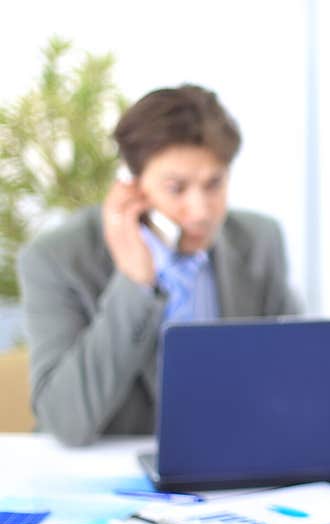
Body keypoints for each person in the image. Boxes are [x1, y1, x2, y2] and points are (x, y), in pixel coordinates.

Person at [18, 84, 301, 447]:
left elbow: (293, 378)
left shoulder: (260, 240)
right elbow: (66, 421)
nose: (200, 212)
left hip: (228, 468)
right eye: (176, 188)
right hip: (105, 478)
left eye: (214, 184)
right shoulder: (57, 258)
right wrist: (135, 283)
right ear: (131, 185)